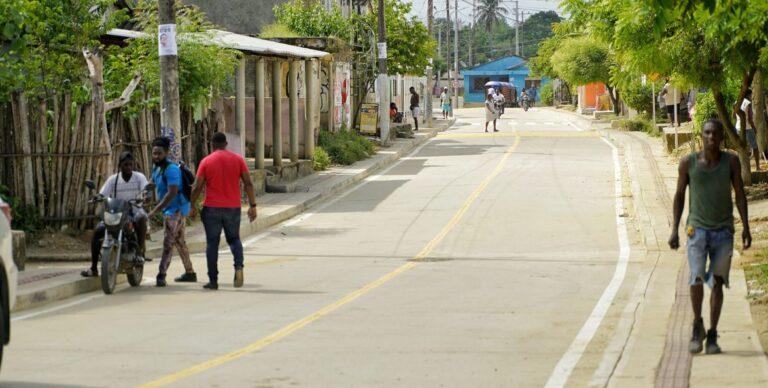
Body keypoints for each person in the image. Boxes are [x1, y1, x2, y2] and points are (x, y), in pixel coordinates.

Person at [669, 118, 751, 355]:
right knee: (695, 278)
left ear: (721, 137)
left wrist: (746, 227)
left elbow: (740, 194)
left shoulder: (731, 162)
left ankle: (713, 333)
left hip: (723, 231)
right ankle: (697, 326)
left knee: (717, 282)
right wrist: (674, 230)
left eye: (715, 134)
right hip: (697, 231)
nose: (711, 137)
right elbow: (679, 195)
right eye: (707, 133)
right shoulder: (688, 163)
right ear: (701, 136)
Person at [189, 133, 258, 290]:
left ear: (212, 144)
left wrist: (191, 205)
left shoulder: (206, 161)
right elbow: (248, 183)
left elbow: (197, 186)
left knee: (212, 243)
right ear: (226, 143)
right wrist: (253, 205)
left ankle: (213, 281)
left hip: (211, 208)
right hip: (233, 207)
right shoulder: (238, 160)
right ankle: (238, 266)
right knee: (234, 239)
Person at [81, 152, 149, 277]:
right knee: (98, 231)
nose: (128, 167)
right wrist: (97, 197)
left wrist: (145, 196)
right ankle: (94, 268)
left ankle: (140, 251)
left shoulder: (139, 177)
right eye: (125, 165)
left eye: (130, 165)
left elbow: (146, 191)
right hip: (117, 212)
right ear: (120, 166)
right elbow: (103, 193)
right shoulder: (113, 179)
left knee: (142, 217)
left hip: (134, 210)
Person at [148, 137, 197, 287]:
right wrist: (142, 194)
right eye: (154, 153)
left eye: (159, 153)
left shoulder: (172, 169)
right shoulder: (157, 167)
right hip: (170, 209)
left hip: (176, 209)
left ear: (167, 153)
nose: (156, 156)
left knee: (168, 242)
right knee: (179, 242)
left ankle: (161, 275)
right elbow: (152, 183)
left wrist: (155, 210)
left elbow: (172, 193)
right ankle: (190, 273)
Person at [734, 89, 760, 171]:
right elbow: (750, 118)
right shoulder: (748, 103)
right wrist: (754, 128)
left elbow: (733, 116)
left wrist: (739, 120)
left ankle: (741, 168)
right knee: (755, 147)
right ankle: (757, 166)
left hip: (738, 128)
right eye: (751, 95)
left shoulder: (736, 102)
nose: (751, 97)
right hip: (748, 128)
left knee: (741, 148)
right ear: (748, 95)